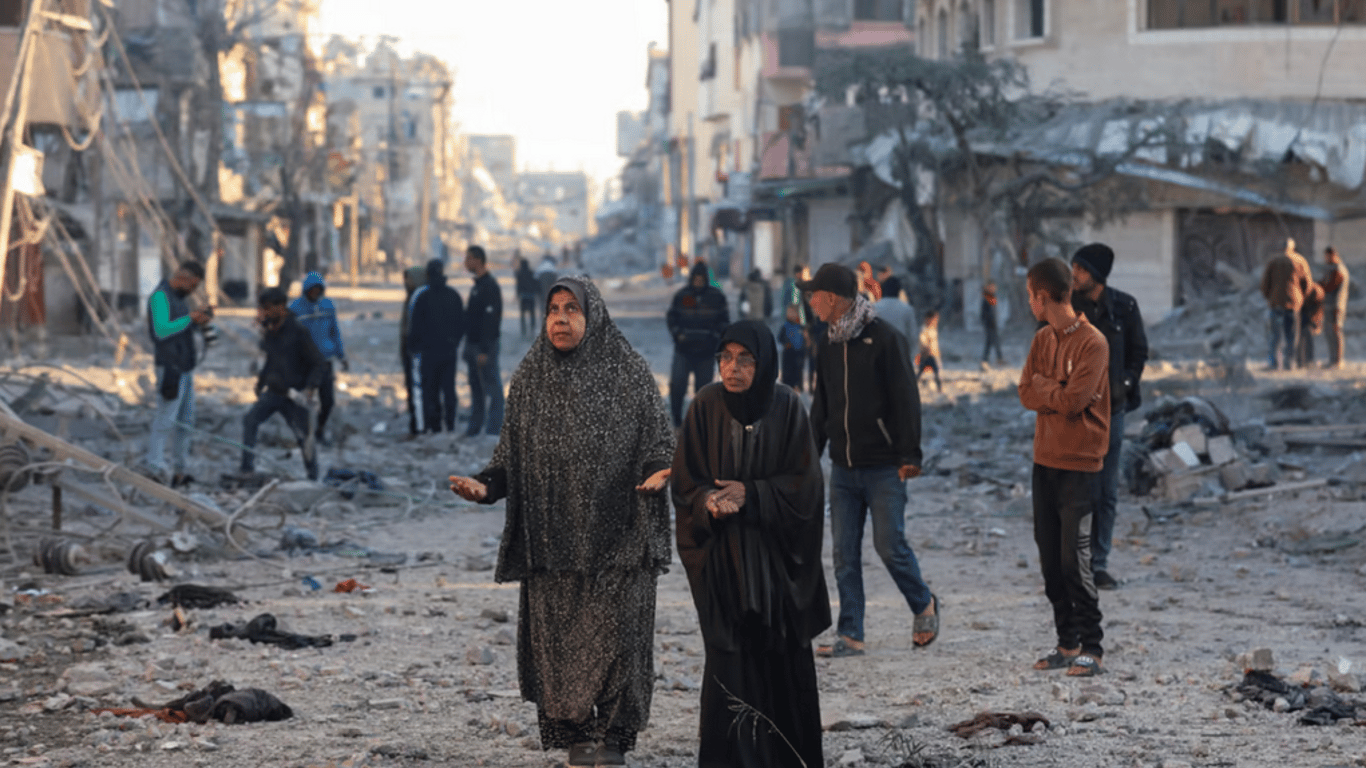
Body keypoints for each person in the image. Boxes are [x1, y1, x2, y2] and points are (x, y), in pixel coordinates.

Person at [449, 276, 674, 768]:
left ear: (593, 316)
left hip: (620, 535)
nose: (560, 318)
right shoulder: (531, 377)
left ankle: (613, 737)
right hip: (553, 538)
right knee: (561, 642)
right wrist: (486, 487)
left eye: (572, 308)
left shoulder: (629, 372)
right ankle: (576, 734)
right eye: (554, 309)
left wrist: (658, 471)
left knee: (620, 637)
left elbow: (658, 441)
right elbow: (509, 457)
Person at [672, 320, 829, 768]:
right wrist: (709, 503)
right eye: (725, 357)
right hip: (725, 563)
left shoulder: (788, 407)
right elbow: (685, 484)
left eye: (745, 359)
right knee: (729, 663)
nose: (733, 368)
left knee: (783, 663)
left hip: (777, 569)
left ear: (764, 364)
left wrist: (753, 494)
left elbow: (806, 487)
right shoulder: (704, 406)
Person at [800, 263, 937, 657]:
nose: (810, 302)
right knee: (844, 554)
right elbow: (822, 404)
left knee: (889, 545)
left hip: (884, 466)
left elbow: (906, 399)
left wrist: (910, 454)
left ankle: (923, 603)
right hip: (843, 469)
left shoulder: (885, 339)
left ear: (833, 298)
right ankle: (851, 634)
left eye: (815, 296)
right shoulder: (827, 342)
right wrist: (808, 456)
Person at [1019, 257, 1110, 678]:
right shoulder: (1042, 340)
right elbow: (1025, 392)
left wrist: (1047, 389)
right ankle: (1066, 642)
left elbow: (1075, 402)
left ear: (1042, 296)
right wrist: (1053, 389)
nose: (1029, 303)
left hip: (1081, 467)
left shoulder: (1093, 343)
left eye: (1029, 295)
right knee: (1050, 562)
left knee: (1076, 560)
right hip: (1045, 462)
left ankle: (1093, 646)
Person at [1069, 243, 1149, 591]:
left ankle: (1097, 564)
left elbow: (1139, 351)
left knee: (1105, 492)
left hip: (1111, 411)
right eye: (1073, 268)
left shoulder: (1124, 307)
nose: (1074, 275)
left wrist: (1125, 382)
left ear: (1097, 275)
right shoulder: (1065, 308)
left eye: (1081, 270)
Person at [240, 288, 327, 481]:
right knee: (250, 421)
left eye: (268, 308)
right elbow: (270, 359)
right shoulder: (271, 330)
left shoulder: (299, 331)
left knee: (303, 437)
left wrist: (310, 387)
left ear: (281, 307)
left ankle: (313, 477)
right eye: (262, 308)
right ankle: (246, 469)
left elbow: (319, 363)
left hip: (294, 395)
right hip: (274, 391)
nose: (264, 312)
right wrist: (260, 382)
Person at [143, 260, 212, 487]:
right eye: (192, 285)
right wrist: (190, 319)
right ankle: (154, 467)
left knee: (186, 422)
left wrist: (198, 321)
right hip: (169, 367)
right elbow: (162, 331)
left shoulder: (180, 299)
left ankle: (180, 471)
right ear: (183, 278)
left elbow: (181, 327)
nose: (193, 290)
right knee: (165, 419)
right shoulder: (159, 297)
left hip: (185, 367)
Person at [666, 262, 730, 426]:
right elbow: (672, 318)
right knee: (677, 385)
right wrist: (678, 334)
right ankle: (677, 419)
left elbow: (724, 321)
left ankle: (701, 422)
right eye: (696, 279)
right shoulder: (682, 296)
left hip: (706, 352)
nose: (698, 282)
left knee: (704, 390)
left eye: (701, 279)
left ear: (705, 279)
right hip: (684, 350)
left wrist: (715, 337)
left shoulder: (716, 297)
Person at [407, 259, 465, 434]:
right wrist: (454, 342)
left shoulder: (422, 297)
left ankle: (434, 426)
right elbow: (462, 323)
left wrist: (413, 347)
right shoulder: (453, 295)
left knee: (430, 390)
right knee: (448, 389)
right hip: (449, 351)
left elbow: (415, 326)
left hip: (428, 352)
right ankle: (450, 424)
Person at [288, 272, 346, 446]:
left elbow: (334, 332)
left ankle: (319, 430)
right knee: (303, 401)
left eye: (318, 290)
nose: (315, 293)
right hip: (304, 363)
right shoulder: (295, 309)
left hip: (325, 361)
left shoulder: (328, 306)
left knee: (328, 401)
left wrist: (341, 355)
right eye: (312, 290)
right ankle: (304, 435)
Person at [463, 245, 505, 437]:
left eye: (468, 258)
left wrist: (484, 350)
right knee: (476, 388)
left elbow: (491, 322)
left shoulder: (489, 287)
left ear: (478, 260)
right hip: (473, 346)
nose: (465, 262)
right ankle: (475, 426)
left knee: (492, 387)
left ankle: (494, 428)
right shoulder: (477, 287)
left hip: (485, 347)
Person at [1261, 238, 1313, 370]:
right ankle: (1289, 363)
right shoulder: (1300, 261)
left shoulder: (1273, 261)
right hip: (1293, 303)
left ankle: (1273, 363)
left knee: (1274, 336)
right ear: (1293, 248)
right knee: (1292, 336)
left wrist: (1269, 297)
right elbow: (1307, 285)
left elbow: (1265, 283)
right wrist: (1301, 298)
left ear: (1281, 247)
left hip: (1276, 303)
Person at [399, 265, 426, 438]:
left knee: (418, 390)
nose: (406, 282)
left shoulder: (421, 298)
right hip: (408, 350)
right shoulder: (410, 298)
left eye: (409, 279)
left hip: (417, 352)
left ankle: (419, 427)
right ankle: (414, 425)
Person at [873, 276, 919, 366]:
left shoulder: (874, 308)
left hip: (878, 356)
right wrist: (911, 357)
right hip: (900, 355)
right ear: (899, 291)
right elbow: (912, 336)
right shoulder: (907, 309)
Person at [1320, 246, 1351, 369]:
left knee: (1336, 331)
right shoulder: (1330, 268)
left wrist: (1319, 287)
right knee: (1329, 333)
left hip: (1336, 306)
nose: (1326, 258)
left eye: (1328, 256)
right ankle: (1332, 359)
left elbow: (1330, 287)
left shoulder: (1338, 270)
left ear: (1334, 255)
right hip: (1329, 305)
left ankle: (1338, 361)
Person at [778, 304, 808, 392]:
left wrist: (804, 349)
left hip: (799, 354)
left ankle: (798, 388)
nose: (790, 314)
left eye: (793, 312)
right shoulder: (785, 326)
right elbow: (780, 338)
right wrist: (787, 343)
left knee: (798, 373)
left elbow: (805, 340)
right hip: (788, 354)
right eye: (789, 312)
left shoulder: (801, 327)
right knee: (788, 375)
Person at [1298, 280, 1326, 367]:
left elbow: (1318, 311)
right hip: (1304, 314)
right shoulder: (1314, 290)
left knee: (1306, 336)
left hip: (1309, 316)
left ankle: (1307, 360)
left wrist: (1315, 323)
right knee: (1303, 337)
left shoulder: (1316, 292)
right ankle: (1303, 360)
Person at [916, 311, 943, 393]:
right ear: (927, 319)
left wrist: (937, 352)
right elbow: (922, 341)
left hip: (933, 355)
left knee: (936, 372)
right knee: (921, 371)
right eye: (934, 320)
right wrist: (926, 348)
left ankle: (939, 388)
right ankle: (913, 385)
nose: (936, 322)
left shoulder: (933, 329)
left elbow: (935, 344)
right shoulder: (924, 329)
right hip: (926, 355)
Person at [981, 281, 1005, 367]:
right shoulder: (986, 298)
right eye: (992, 287)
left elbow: (994, 311)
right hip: (989, 324)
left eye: (994, 287)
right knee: (993, 341)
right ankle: (996, 359)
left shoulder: (993, 297)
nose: (994, 288)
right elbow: (983, 314)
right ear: (988, 287)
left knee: (991, 342)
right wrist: (987, 321)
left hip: (993, 323)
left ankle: (987, 360)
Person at [515, 256, 539, 339]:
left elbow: (518, 286)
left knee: (523, 315)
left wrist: (517, 295)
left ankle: (523, 331)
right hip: (531, 296)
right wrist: (536, 293)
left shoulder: (519, 274)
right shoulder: (532, 273)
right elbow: (536, 283)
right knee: (532, 314)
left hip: (523, 297)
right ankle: (532, 329)